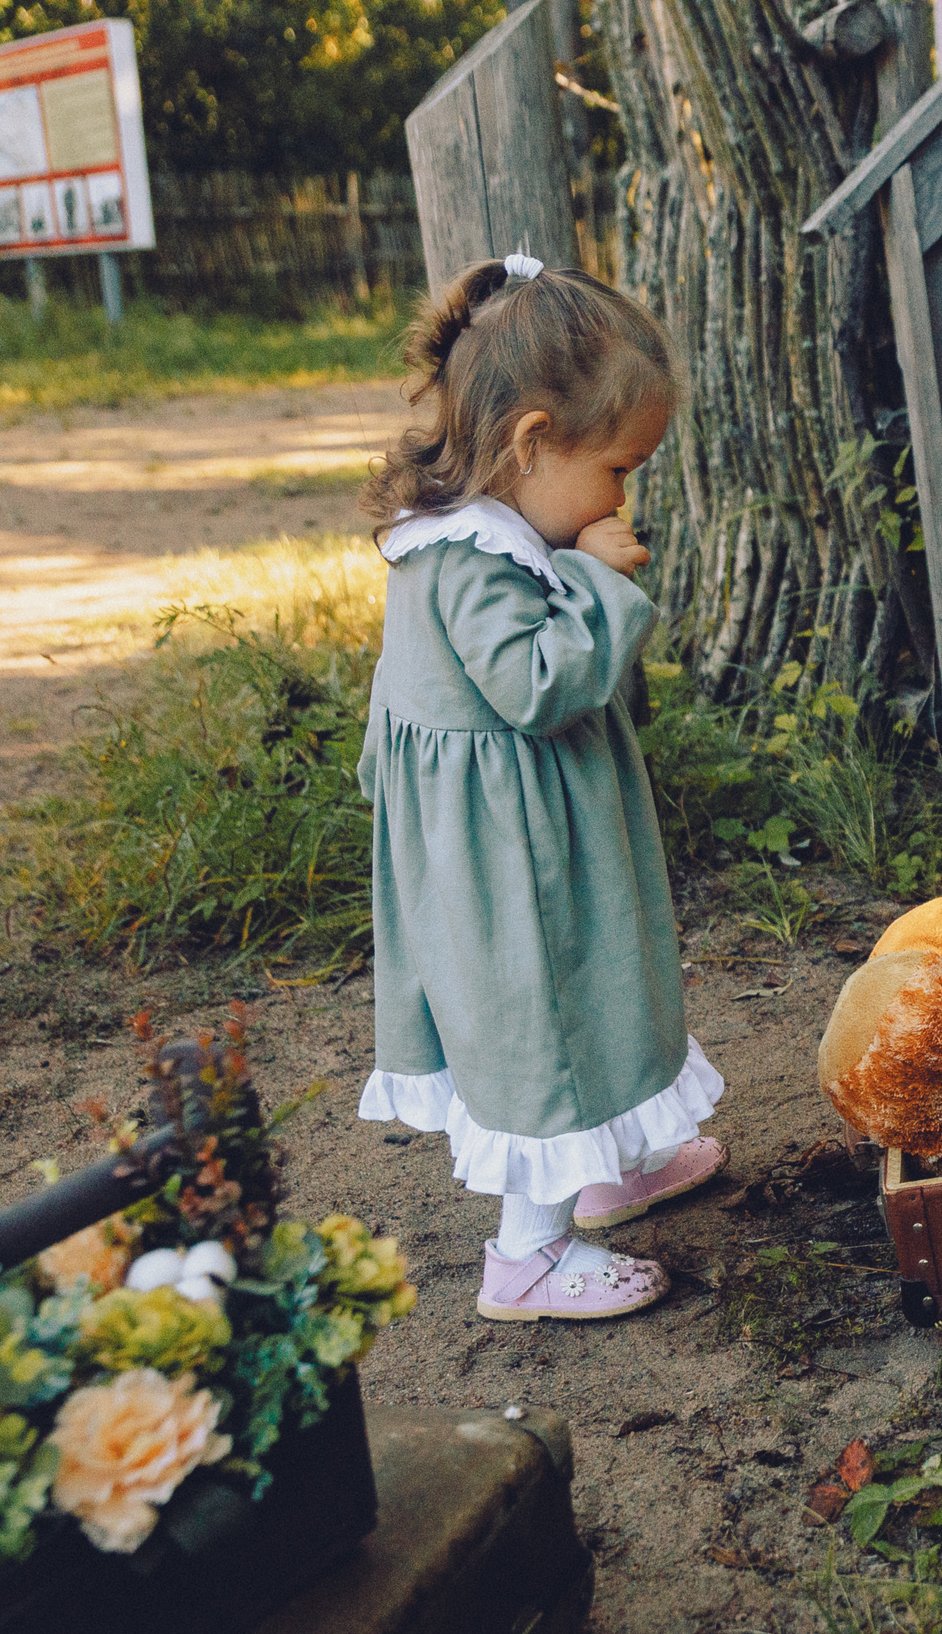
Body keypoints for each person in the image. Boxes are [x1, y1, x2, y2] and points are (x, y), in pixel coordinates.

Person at [354, 252, 723, 1322]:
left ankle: (608, 1166)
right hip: (506, 860)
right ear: (531, 442)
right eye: (619, 467)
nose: (624, 496)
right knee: (541, 1019)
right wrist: (601, 583)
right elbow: (531, 684)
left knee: (597, 986)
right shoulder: (463, 559)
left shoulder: (483, 533)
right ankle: (526, 1254)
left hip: (529, 825)